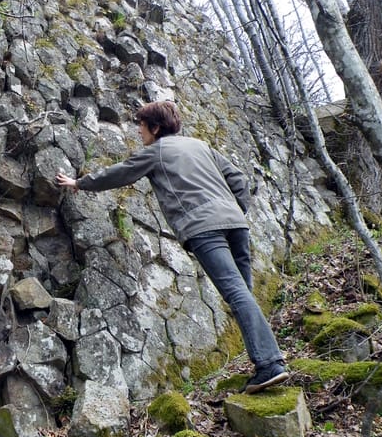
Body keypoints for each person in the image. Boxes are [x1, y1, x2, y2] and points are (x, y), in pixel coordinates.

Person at [55, 100, 288, 394]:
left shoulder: (157, 153)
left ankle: (269, 364)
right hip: (237, 225)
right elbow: (239, 179)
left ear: (155, 127)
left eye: (141, 126)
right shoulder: (200, 145)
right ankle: (267, 360)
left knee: (236, 293)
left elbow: (120, 173)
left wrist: (80, 183)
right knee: (243, 293)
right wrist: (235, 210)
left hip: (204, 229)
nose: (138, 132)